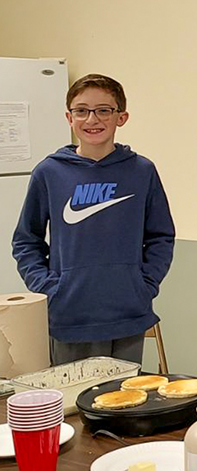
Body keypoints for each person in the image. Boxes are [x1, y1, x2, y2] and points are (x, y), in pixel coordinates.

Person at [12, 73, 175, 366]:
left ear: (121, 117)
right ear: (69, 117)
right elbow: (26, 241)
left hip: (128, 314)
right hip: (70, 317)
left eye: (103, 110)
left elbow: (161, 236)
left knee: (123, 404)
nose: (92, 119)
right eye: (82, 111)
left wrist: (144, 284)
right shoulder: (49, 173)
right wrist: (50, 289)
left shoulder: (141, 171)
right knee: (72, 407)